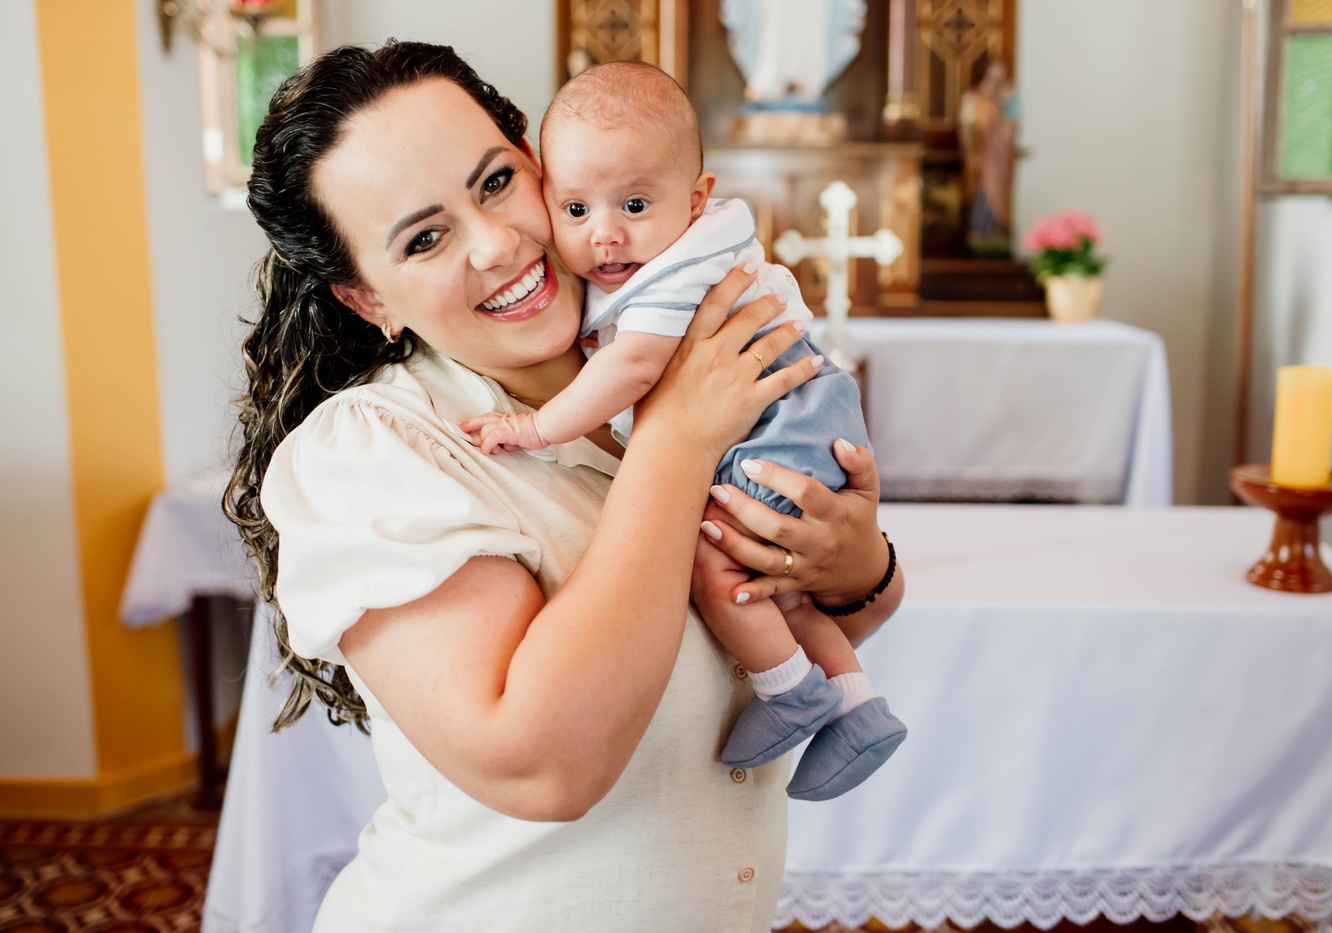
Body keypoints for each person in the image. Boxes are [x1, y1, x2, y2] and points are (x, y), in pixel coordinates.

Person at [223, 40, 904, 932]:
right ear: (368, 299)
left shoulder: (675, 355)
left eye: (497, 182)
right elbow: (545, 766)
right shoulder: (374, 450)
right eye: (425, 238)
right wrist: (678, 440)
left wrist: (858, 569)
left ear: (539, 157)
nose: (498, 244)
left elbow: (769, 631)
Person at [466, 62, 905, 802]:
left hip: (776, 433)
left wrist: (533, 425)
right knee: (785, 598)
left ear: (696, 199)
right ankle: (857, 707)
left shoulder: (675, 273)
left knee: (715, 563)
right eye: (576, 209)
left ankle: (790, 691)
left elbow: (633, 366)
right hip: (800, 423)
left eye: (635, 204)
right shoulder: (687, 245)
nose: (606, 234)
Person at [959, 58, 1020, 255]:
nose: (995, 82)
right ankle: (979, 232)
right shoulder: (974, 98)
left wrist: (1002, 104)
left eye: (1000, 77)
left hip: (1000, 157)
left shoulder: (1008, 96)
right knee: (982, 192)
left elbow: (1011, 126)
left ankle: (997, 233)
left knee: (999, 194)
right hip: (982, 155)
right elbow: (968, 128)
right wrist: (973, 152)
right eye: (991, 76)